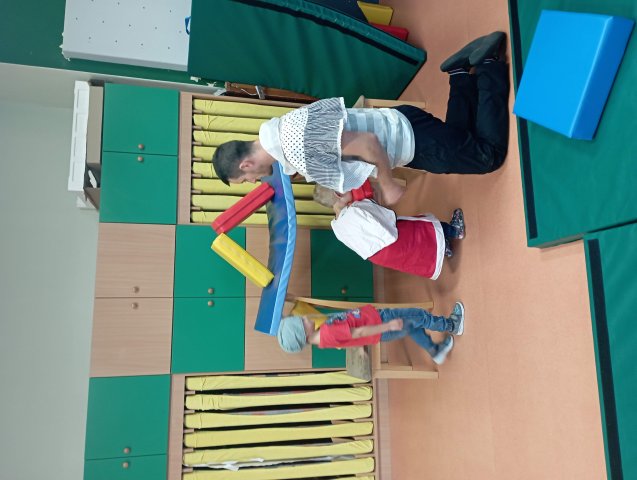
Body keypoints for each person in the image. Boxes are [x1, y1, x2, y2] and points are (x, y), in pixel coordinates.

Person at [212, 32, 509, 206]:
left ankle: (488, 64)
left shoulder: (295, 147)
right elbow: (337, 149)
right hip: (399, 123)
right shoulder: (281, 128)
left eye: (245, 179)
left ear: (245, 164)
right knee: (460, 138)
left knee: (487, 156)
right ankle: (460, 74)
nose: (253, 181)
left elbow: (367, 144)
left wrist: (388, 184)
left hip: (411, 141)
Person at [313, 181, 465, 279]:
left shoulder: (336, 227)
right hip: (393, 238)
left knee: (418, 252)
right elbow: (386, 217)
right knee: (424, 230)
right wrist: (373, 199)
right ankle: (455, 230)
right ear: (339, 193)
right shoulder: (355, 209)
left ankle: (444, 248)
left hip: (382, 255)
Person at [276, 302, 465, 365]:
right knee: (418, 316)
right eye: (301, 322)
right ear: (303, 334)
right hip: (381, 323)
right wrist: (388, 326)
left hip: (378, 322)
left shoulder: (322, 335)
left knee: (413, 327)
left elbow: (349, 336)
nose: (304, 318)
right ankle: (451, 324)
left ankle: (434, 350)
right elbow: (358, 332)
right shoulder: (326, 333)